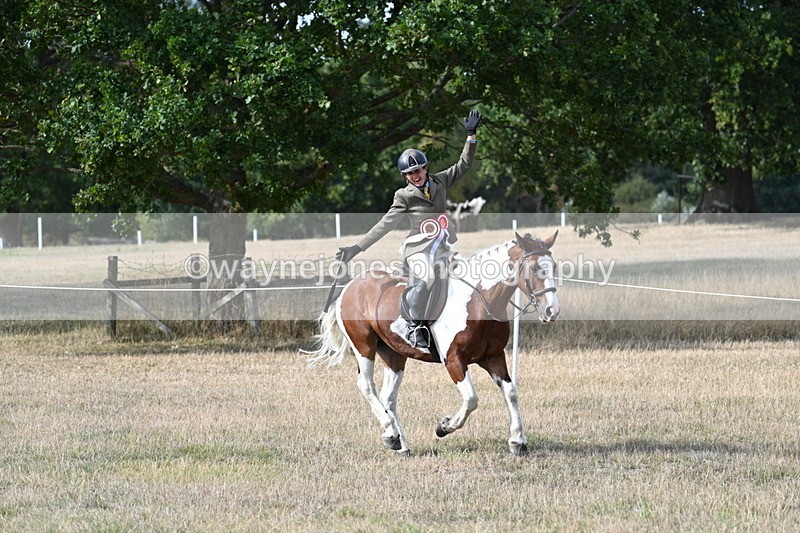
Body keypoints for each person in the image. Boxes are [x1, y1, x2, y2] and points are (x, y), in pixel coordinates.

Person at [336, 110, 482, 349]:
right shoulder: (403, 196)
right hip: (418, 250)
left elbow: (464, 164)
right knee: (428, 277)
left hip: (442, 247)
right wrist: (357, 248)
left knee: (465, 275)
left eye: (418, 170)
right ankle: (412, 324)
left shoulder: (440, 181)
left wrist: (471, 136)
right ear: (405, 176)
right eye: (410, 173)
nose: (415, 176)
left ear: (425, 169)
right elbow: (385, 224)